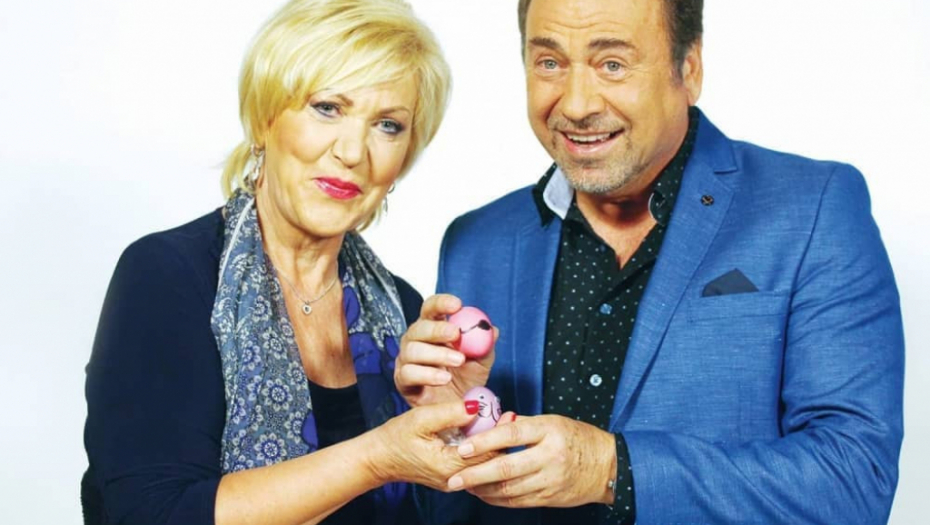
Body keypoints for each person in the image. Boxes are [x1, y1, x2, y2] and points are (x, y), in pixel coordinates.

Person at [395, 0, 905, 523]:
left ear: (690, 69)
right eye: (549, 63)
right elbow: (447, 511)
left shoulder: (814, 208)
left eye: (612, 64)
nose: (576, 104)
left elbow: (855, 480)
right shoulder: (476, 243)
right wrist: (446, 433)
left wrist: (610, 470)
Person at [81, 1, 490, 524]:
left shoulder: (404, 311)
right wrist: (376, 457)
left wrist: (452, 423)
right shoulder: (168, 276)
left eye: (387, 125)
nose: (352, 152)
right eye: (327, 107)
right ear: (265, 117)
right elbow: (149, 514)